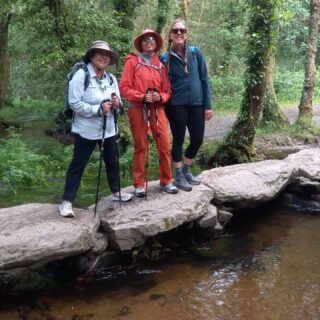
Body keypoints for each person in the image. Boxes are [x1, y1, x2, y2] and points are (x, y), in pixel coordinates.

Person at [59, 40, 133, 218]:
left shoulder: (111, 79)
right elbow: (74, 103)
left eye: (107, 55)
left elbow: (119, 103)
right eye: (99, 53)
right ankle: (66, 203)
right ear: (91, 56)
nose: (103, 57)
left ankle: (116, 192)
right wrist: (97, 109)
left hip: (108, 130)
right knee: (78, 165)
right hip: (85, 130)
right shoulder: (81, 75)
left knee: (112, 161)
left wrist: (116, 104)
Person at [120, 29, 178, 197]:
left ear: (156, 43)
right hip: (137, 109)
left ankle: (166, 180)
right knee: (140, 145)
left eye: (151, 38)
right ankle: (139, 184)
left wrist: (160, 96)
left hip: (157, 109)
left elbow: (167, 90)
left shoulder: (161, 65)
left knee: (165, 144)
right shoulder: (132, 62)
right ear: (141, 44)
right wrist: (142, 97)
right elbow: (124, 87)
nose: (148, 41)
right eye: (145, 39)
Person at [162, 19, 212, 191]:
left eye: (182, 30)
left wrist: (208, 105)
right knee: (178, 139)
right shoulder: (165, 58)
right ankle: (178, 176)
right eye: (175, 31)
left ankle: (186, 170)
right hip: (176, 105)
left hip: (197, 103)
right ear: (170, 35)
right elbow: (161, 82)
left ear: (186, 34)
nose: (179, 33)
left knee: (197, 139)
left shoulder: (196, 53)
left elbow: (204, 79)